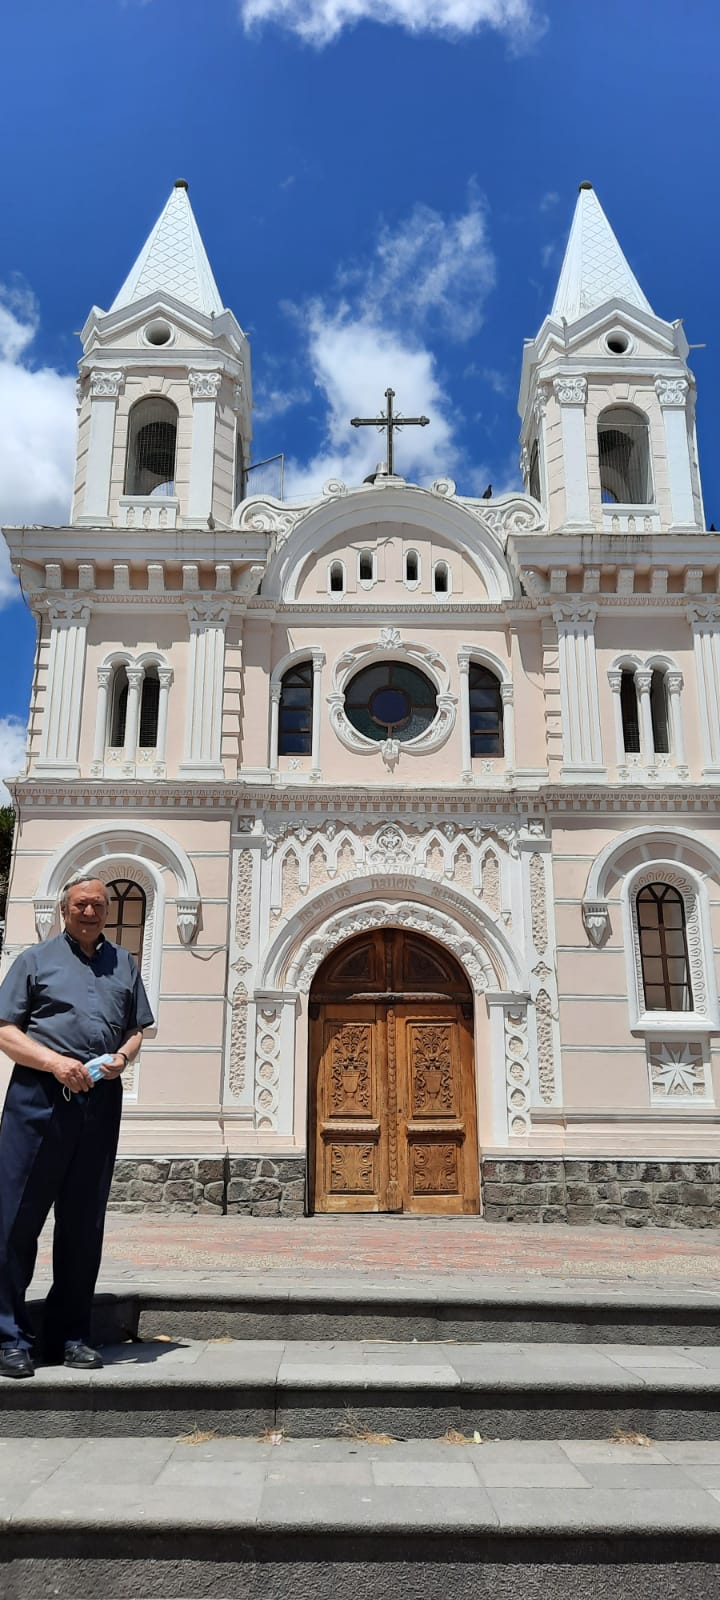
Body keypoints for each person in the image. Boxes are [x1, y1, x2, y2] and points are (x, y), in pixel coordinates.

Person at [0, 874, 153, 1378]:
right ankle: (9, 1338)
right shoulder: (34, 961)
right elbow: (5, 1031)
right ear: (65, 910)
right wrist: (53, 1063)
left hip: (99, 1103)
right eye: (82, 904)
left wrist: (123, 1059)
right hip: (38, 1099)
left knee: (83, 1225)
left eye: (99, 904)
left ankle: (69, 1336)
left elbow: (136, 1029)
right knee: (15, 1221)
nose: (91, 911)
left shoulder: (124, 964)